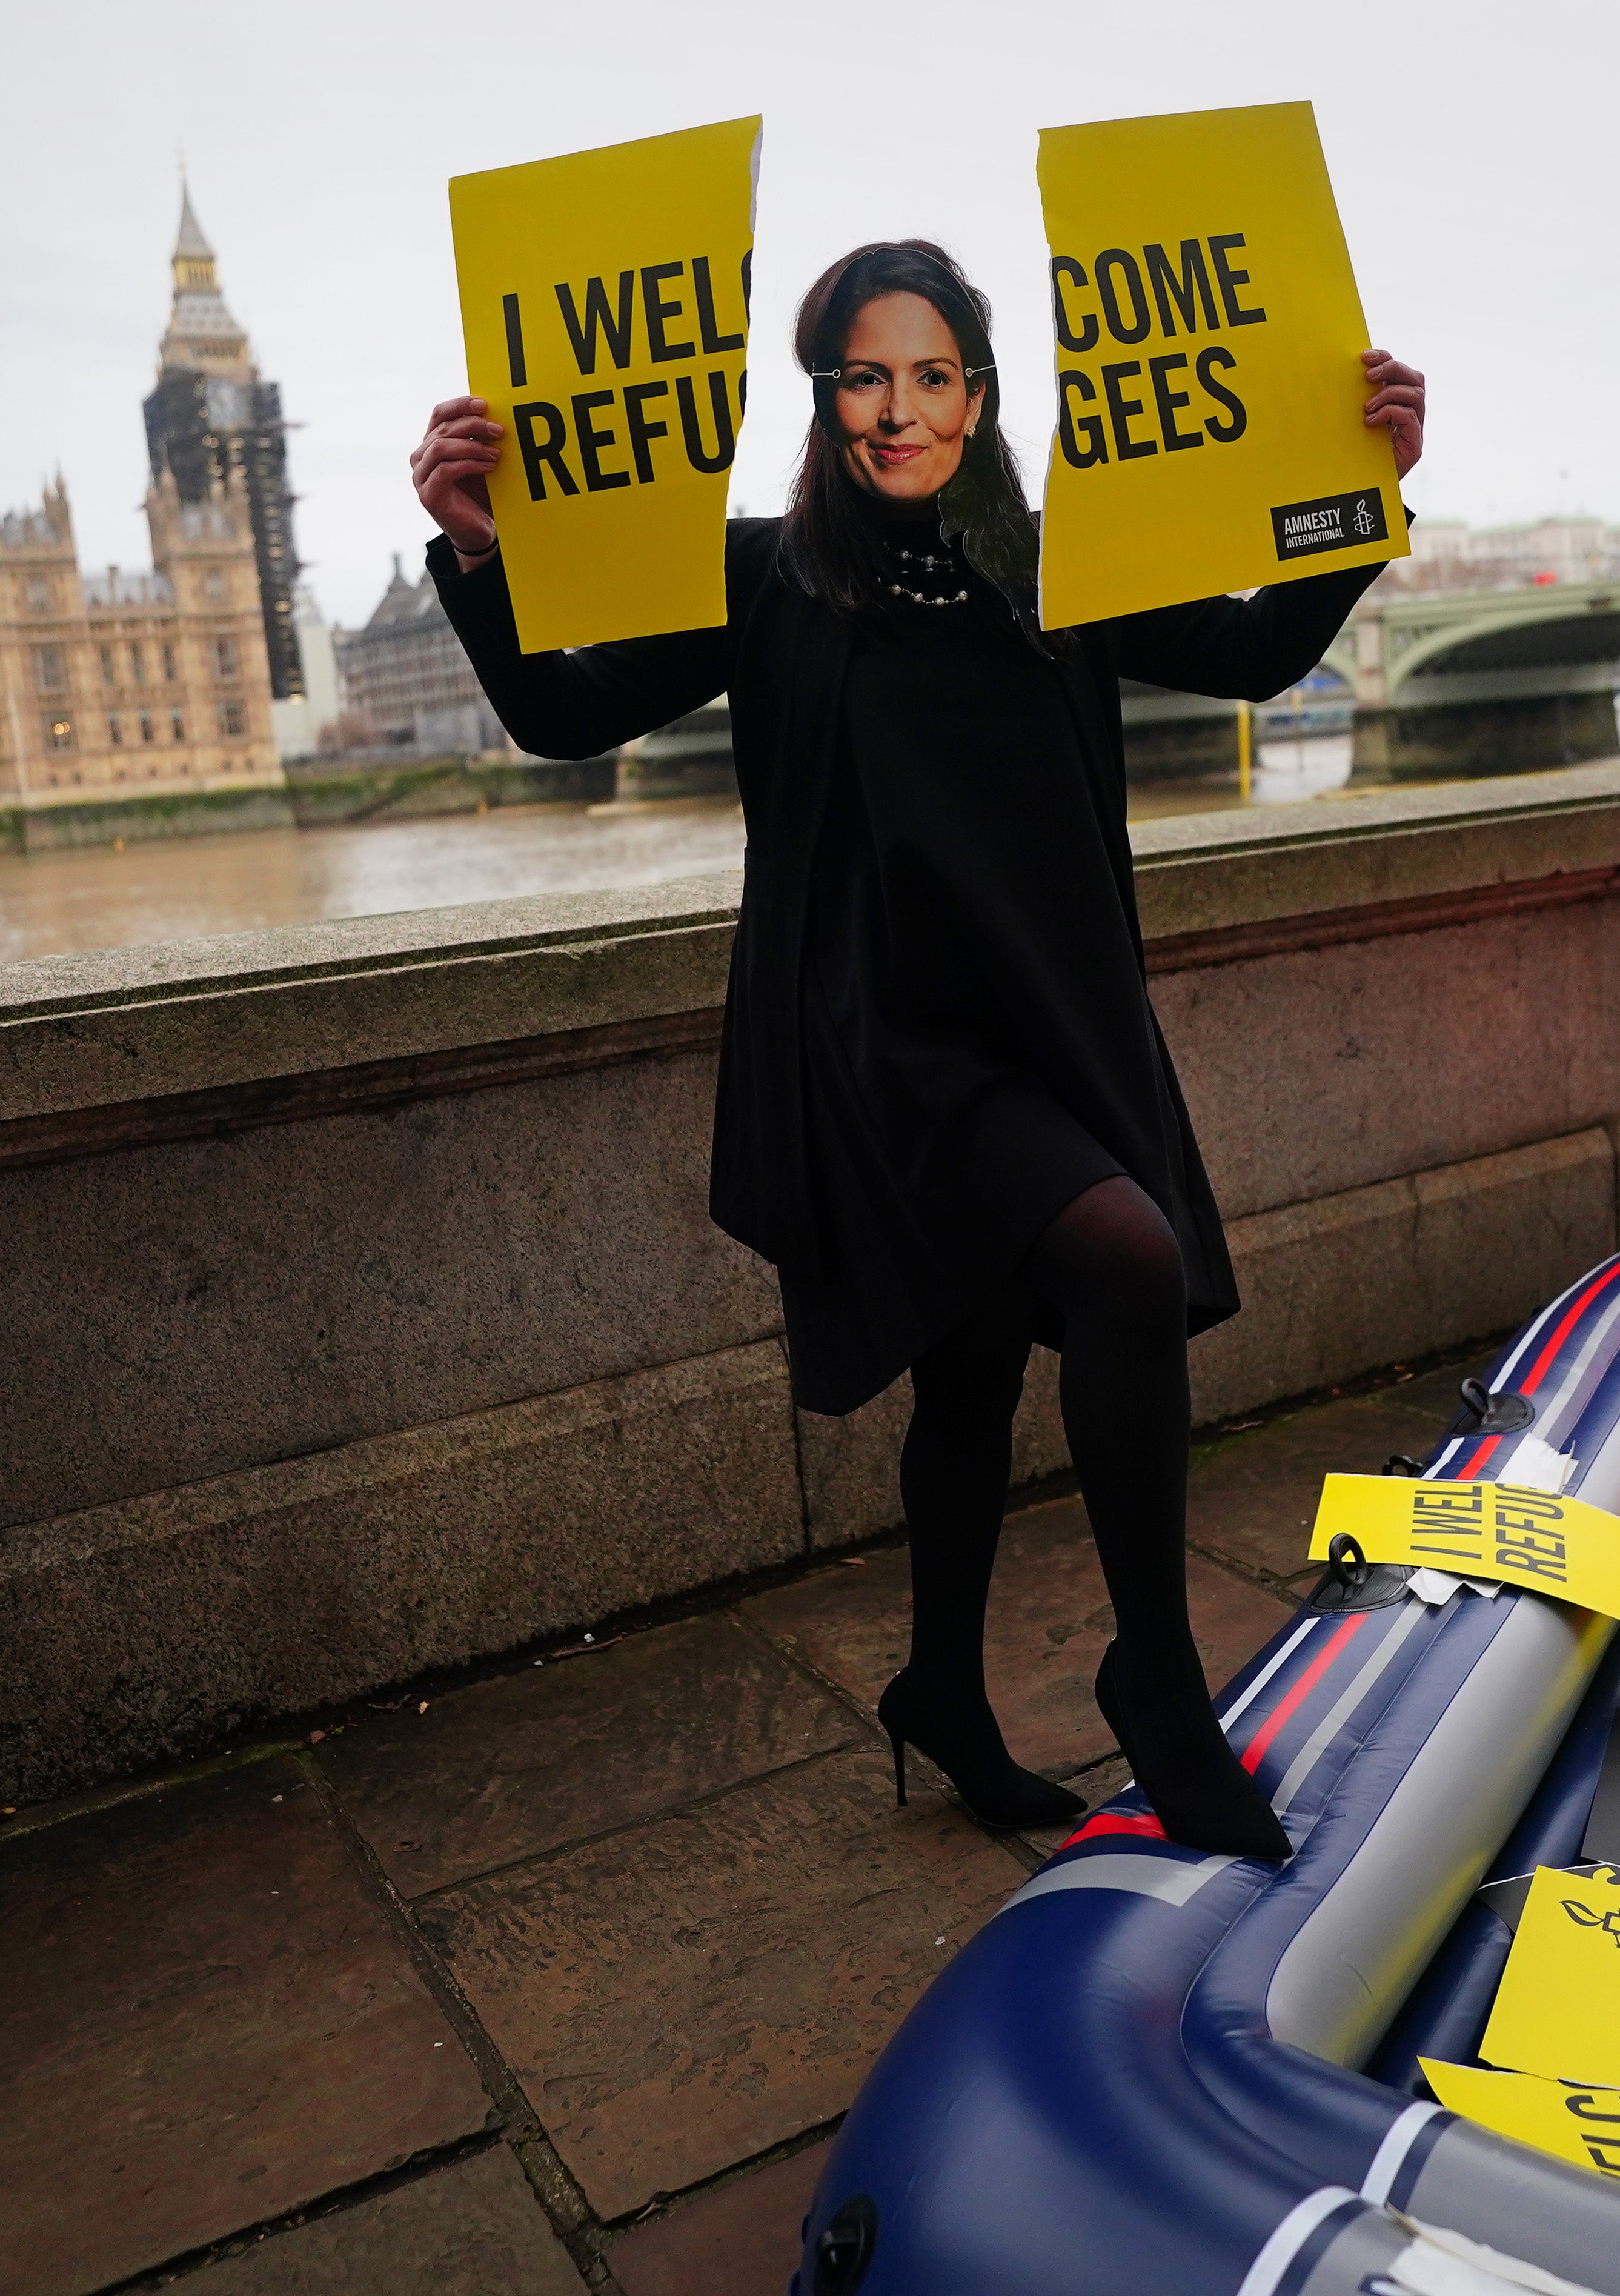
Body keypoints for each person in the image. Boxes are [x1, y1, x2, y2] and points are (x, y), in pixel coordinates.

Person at [412, 239, 1423, 1861]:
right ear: (824, 401)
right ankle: (1154, 1677)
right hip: (884, 1053)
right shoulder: (763, 578)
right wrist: (471, 550)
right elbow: (562, 717)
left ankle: (942, 1690)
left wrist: (1365, 486)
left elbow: (1254, 652)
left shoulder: (1066, 565)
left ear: (980, 390)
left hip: (1045, 1018)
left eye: (932, 372)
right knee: (1120, 1263)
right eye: (863, 376)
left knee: (965, 1372)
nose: (900, 407)